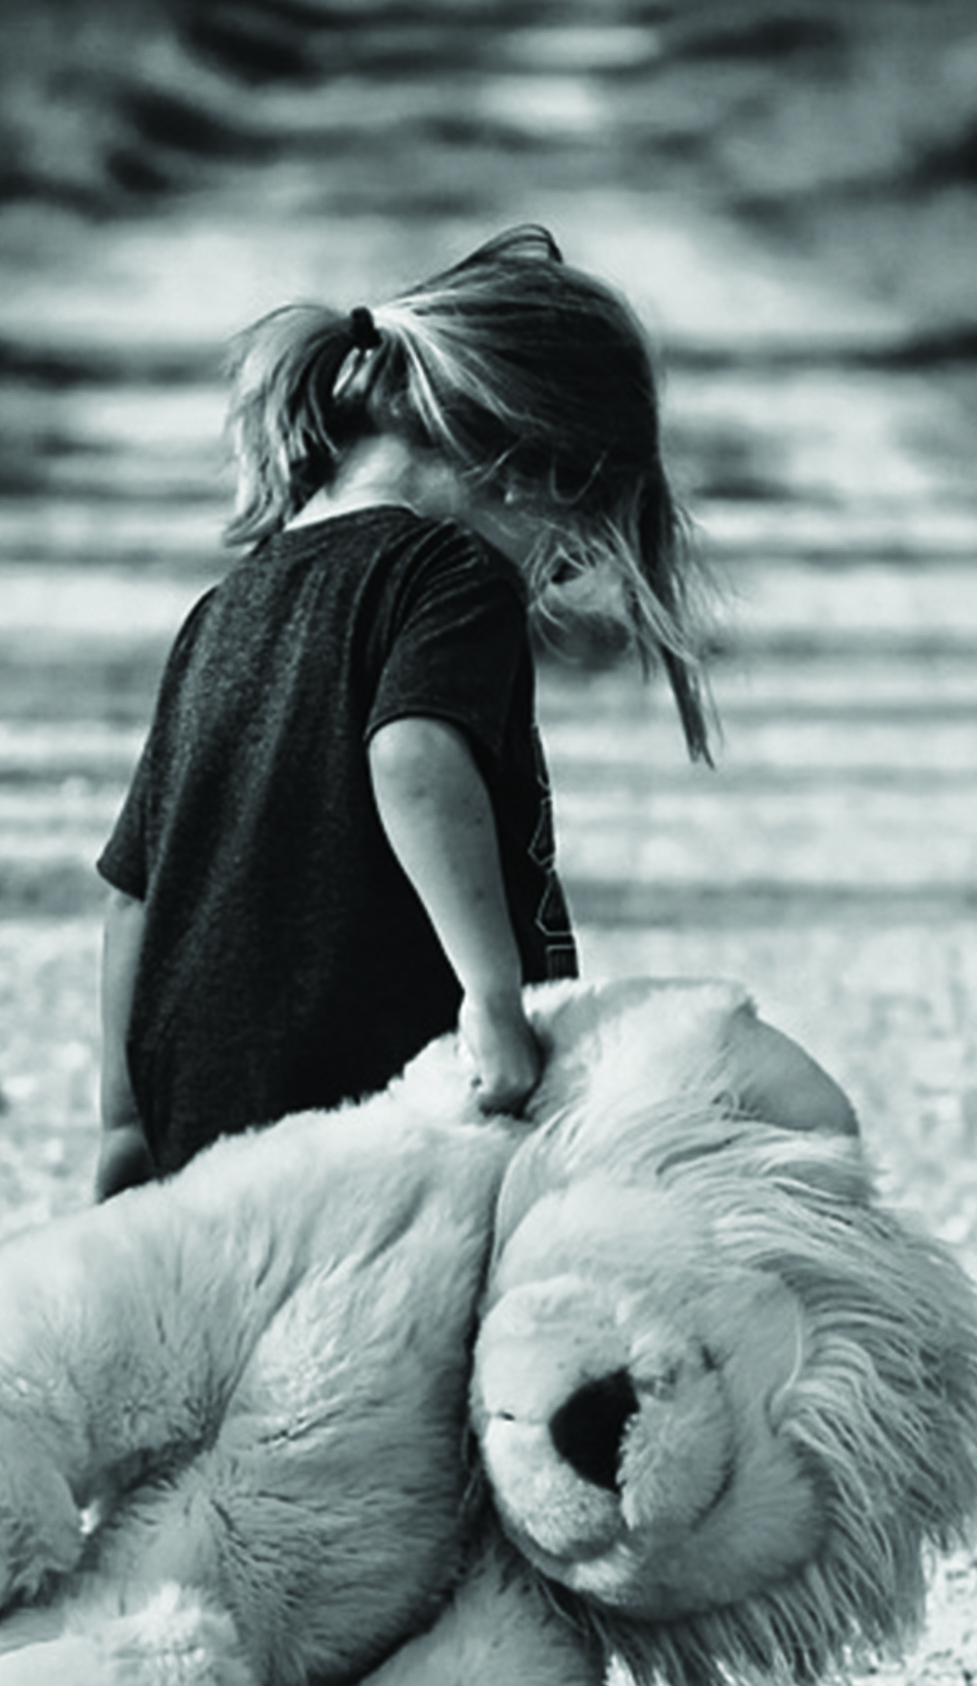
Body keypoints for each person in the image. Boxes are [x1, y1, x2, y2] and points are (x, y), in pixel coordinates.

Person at [93, 225, 714, 1199]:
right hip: (380, 1101)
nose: (557, 575)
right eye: (571, 544)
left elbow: (135, 891)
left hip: (203, 1115)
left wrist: (125, 1120)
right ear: (526, 465)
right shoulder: (451, 571)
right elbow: (415, 758)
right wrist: (493, 998)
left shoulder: (225, 605)